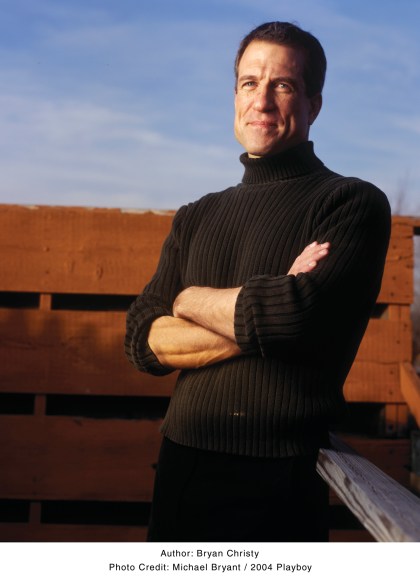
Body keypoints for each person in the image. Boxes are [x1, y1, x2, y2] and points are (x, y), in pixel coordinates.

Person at [125, 21, 391, 542]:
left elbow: (293, 319)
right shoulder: (197, 215)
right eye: (250, 83)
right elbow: (142, 340)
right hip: (180, 466)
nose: (262, 101)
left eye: (283, 85)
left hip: (280, 478)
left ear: (314, 105)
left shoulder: (350, 203)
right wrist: (263, 308)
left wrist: (187, 301)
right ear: (235, 96)